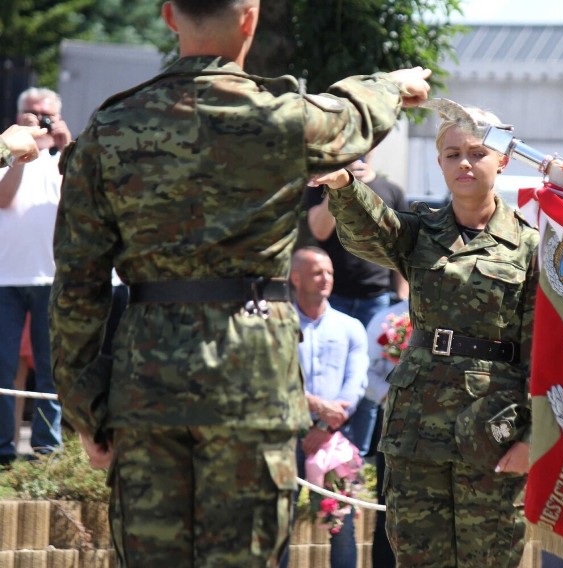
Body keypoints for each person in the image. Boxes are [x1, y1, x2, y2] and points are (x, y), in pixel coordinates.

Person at [48, 0, 431, 564]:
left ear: (169, 16)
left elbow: (77, 286)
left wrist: (85, 408)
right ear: (249, 18)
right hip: (252, 375)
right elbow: (354, 114)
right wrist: (392, 84)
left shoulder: (111, 128)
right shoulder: (283, 118)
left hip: (147, 380)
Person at [312, 105, 538, 567]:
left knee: (490, 558)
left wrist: (533, 438)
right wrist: (343, 185)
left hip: (493, 428)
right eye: (452, 154)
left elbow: (542, 350)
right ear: (439, 164)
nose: (465, 164)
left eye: (478, 153)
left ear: (502, 161)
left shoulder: (531, 246)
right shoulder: (419, 232)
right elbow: (373, 226)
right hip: (418, 429)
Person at [305, 151, 409, 457]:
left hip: (377, 302)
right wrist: (341, 187)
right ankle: (323, 455)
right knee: (332, 376)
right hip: (331, 301)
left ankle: (357, 458)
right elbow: (319, 230)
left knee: (369, 383)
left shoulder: (392, 191)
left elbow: (403, 249)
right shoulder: (320, 185)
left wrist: (401, 302)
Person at [279, 246, 368, 568]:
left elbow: (356, 385)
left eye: (329, 272)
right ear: (295, 278)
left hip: (334, 438)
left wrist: (324, 428)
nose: (326, 278)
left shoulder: (350, 327)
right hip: (285, 436)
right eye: (317, 272)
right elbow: (275, 382)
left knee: (341, 525)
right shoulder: (279, 325)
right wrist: (314, 406)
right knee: (278, 524)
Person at [0, 88, 72, 467]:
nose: (37, 119)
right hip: (5, 279)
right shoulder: (3, 152)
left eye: (45, 114)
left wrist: (66, 143)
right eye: (30, 112)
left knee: (50, 369)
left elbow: (81, 198)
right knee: (3, 369)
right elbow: (4, 199)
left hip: (50, 277)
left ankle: (47, 452)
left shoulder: (65, 157)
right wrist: (20, 150)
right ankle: (2, 452)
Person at [362, 297, 411, 568]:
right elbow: (367, 371)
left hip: (442, 424)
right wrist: (391, 397)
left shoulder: (453, 315)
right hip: (393, 422)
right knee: (388, 508)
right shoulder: (387, 317)